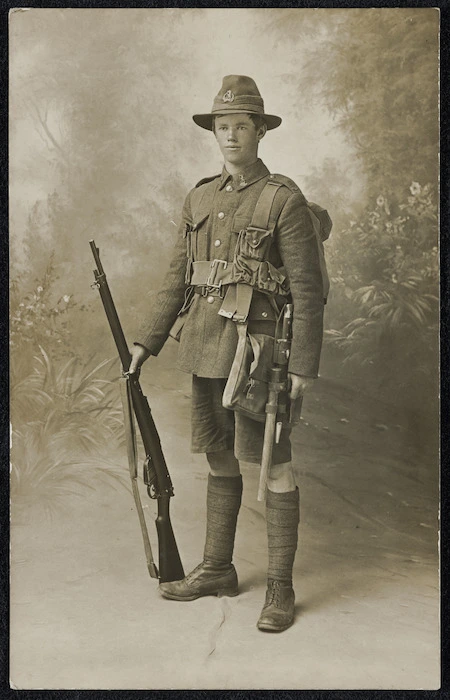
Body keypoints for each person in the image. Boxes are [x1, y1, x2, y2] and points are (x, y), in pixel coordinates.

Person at [129, 75, 325, 632]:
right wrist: (148, 341)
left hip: (264, 355)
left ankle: (281, 587)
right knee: (219, 456)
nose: (232, 135)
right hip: (206, 351)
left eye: (243, 125)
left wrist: (304, 368)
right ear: (213, 132)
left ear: (261, 131)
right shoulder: (200, 196)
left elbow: (309, 291)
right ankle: (217, 567)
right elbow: (178, 277)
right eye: (222, 126)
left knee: (273, 465)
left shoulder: (283, 199)